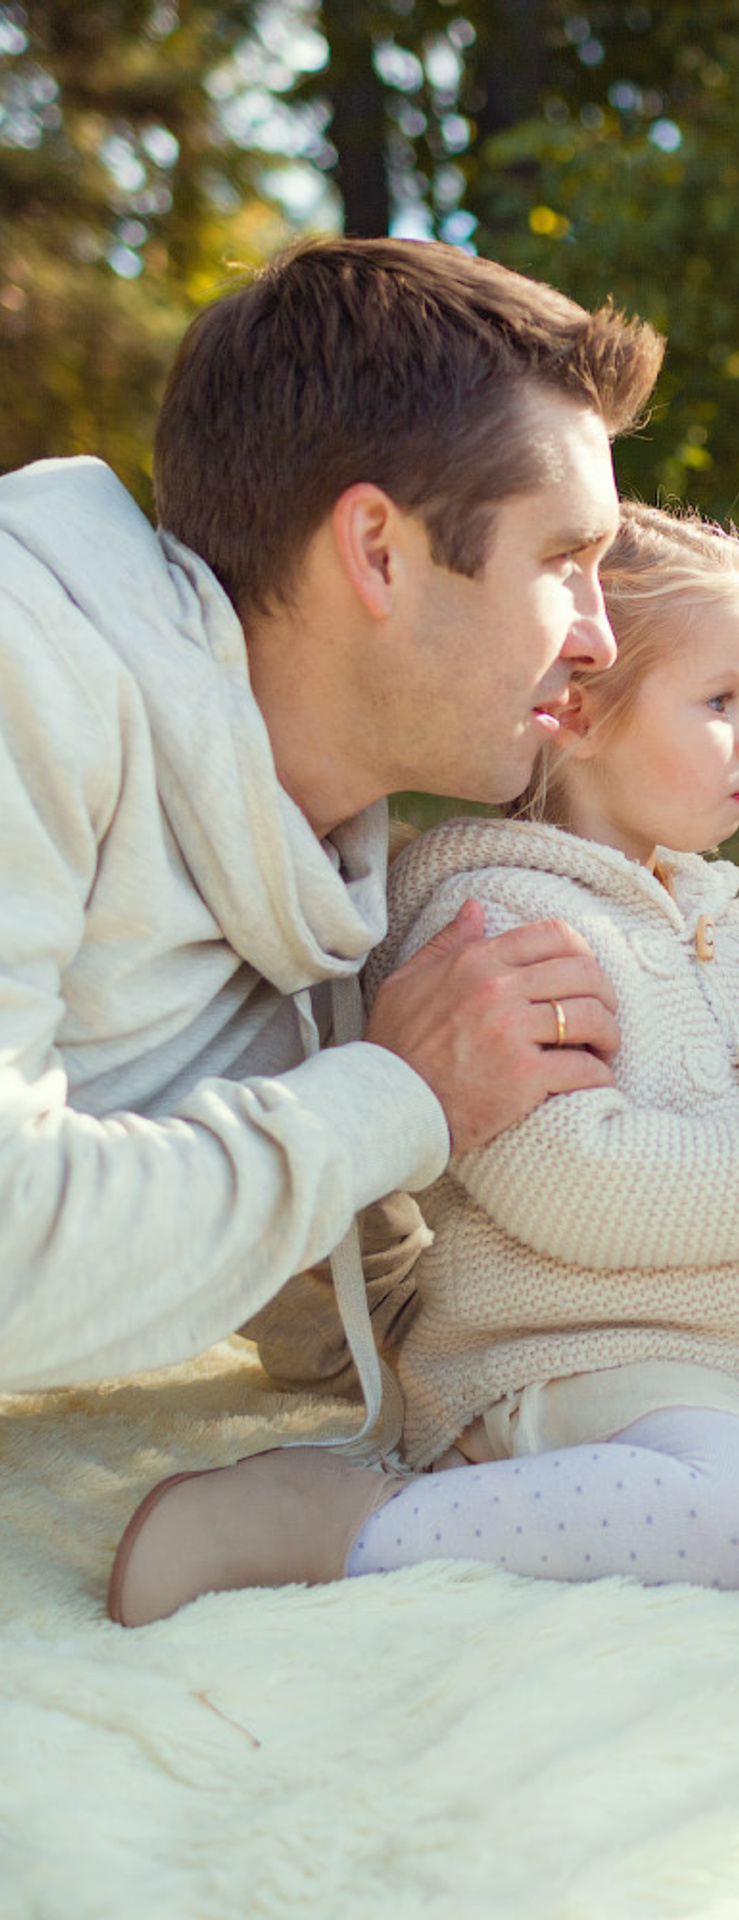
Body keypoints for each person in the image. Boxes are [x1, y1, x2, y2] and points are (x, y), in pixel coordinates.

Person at [109, 503, 739, 1623]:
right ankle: (352, 1523)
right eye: (719, 703)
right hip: (575, 1344)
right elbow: (567, 1177)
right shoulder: (498, 921)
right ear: (577, 711)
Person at [0, 236, 663, 1396]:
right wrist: (397, 1093)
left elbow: (365, 1316)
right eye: (565, 561)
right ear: (376, 552)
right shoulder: (26, 678)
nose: (600, 638)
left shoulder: (314, 850)